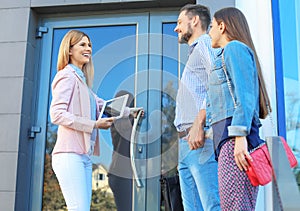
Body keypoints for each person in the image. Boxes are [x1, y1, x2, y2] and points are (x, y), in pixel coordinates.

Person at [49, 30, 127, 210]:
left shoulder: (82, 82)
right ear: (69, 50)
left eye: (90, 45)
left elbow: (104, 106)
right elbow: (57, 113)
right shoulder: (66, 76)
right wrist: (93, 124)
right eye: (82, 45)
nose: (88, 49)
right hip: (69, 155)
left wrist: (130, 112)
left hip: (83, 155)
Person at [207, 7, 271, 210]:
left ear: (222, 26)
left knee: (235, 206)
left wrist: (240, 137)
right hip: (229, 141)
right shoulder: (230, 53)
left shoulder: (234, 48)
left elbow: (245, 96)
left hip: (235, 141)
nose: (209, 32)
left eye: (211, 26)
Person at [173, 4, 220, 211]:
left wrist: (199, 124)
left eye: (180, 22)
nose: (176, 28)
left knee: (212, 206)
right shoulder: (194, 52)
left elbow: (218, 82)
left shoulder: (205, 45)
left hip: (200, 140)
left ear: (194, 21)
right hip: (186, 143)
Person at [108, 90, 135, 211]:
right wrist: (135, 116)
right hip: (120, 175)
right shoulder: (118, 123)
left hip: (123, 174)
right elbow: (127, 130)